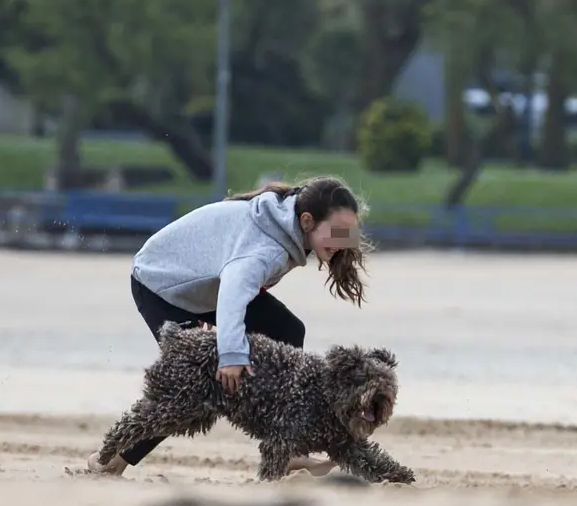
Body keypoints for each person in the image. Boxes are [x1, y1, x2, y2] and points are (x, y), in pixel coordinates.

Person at [86, 175, 370, 477]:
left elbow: (233, 279)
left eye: (348, 233)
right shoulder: (267, 249)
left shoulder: (287, 220)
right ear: (308, 220)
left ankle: (288, 451)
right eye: (337, 232)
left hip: (206, 288)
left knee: (289, 332)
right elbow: (235, 289)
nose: (343, 242)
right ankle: (110, 460)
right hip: (161, 285)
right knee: (193, 383)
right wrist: (231, 353)